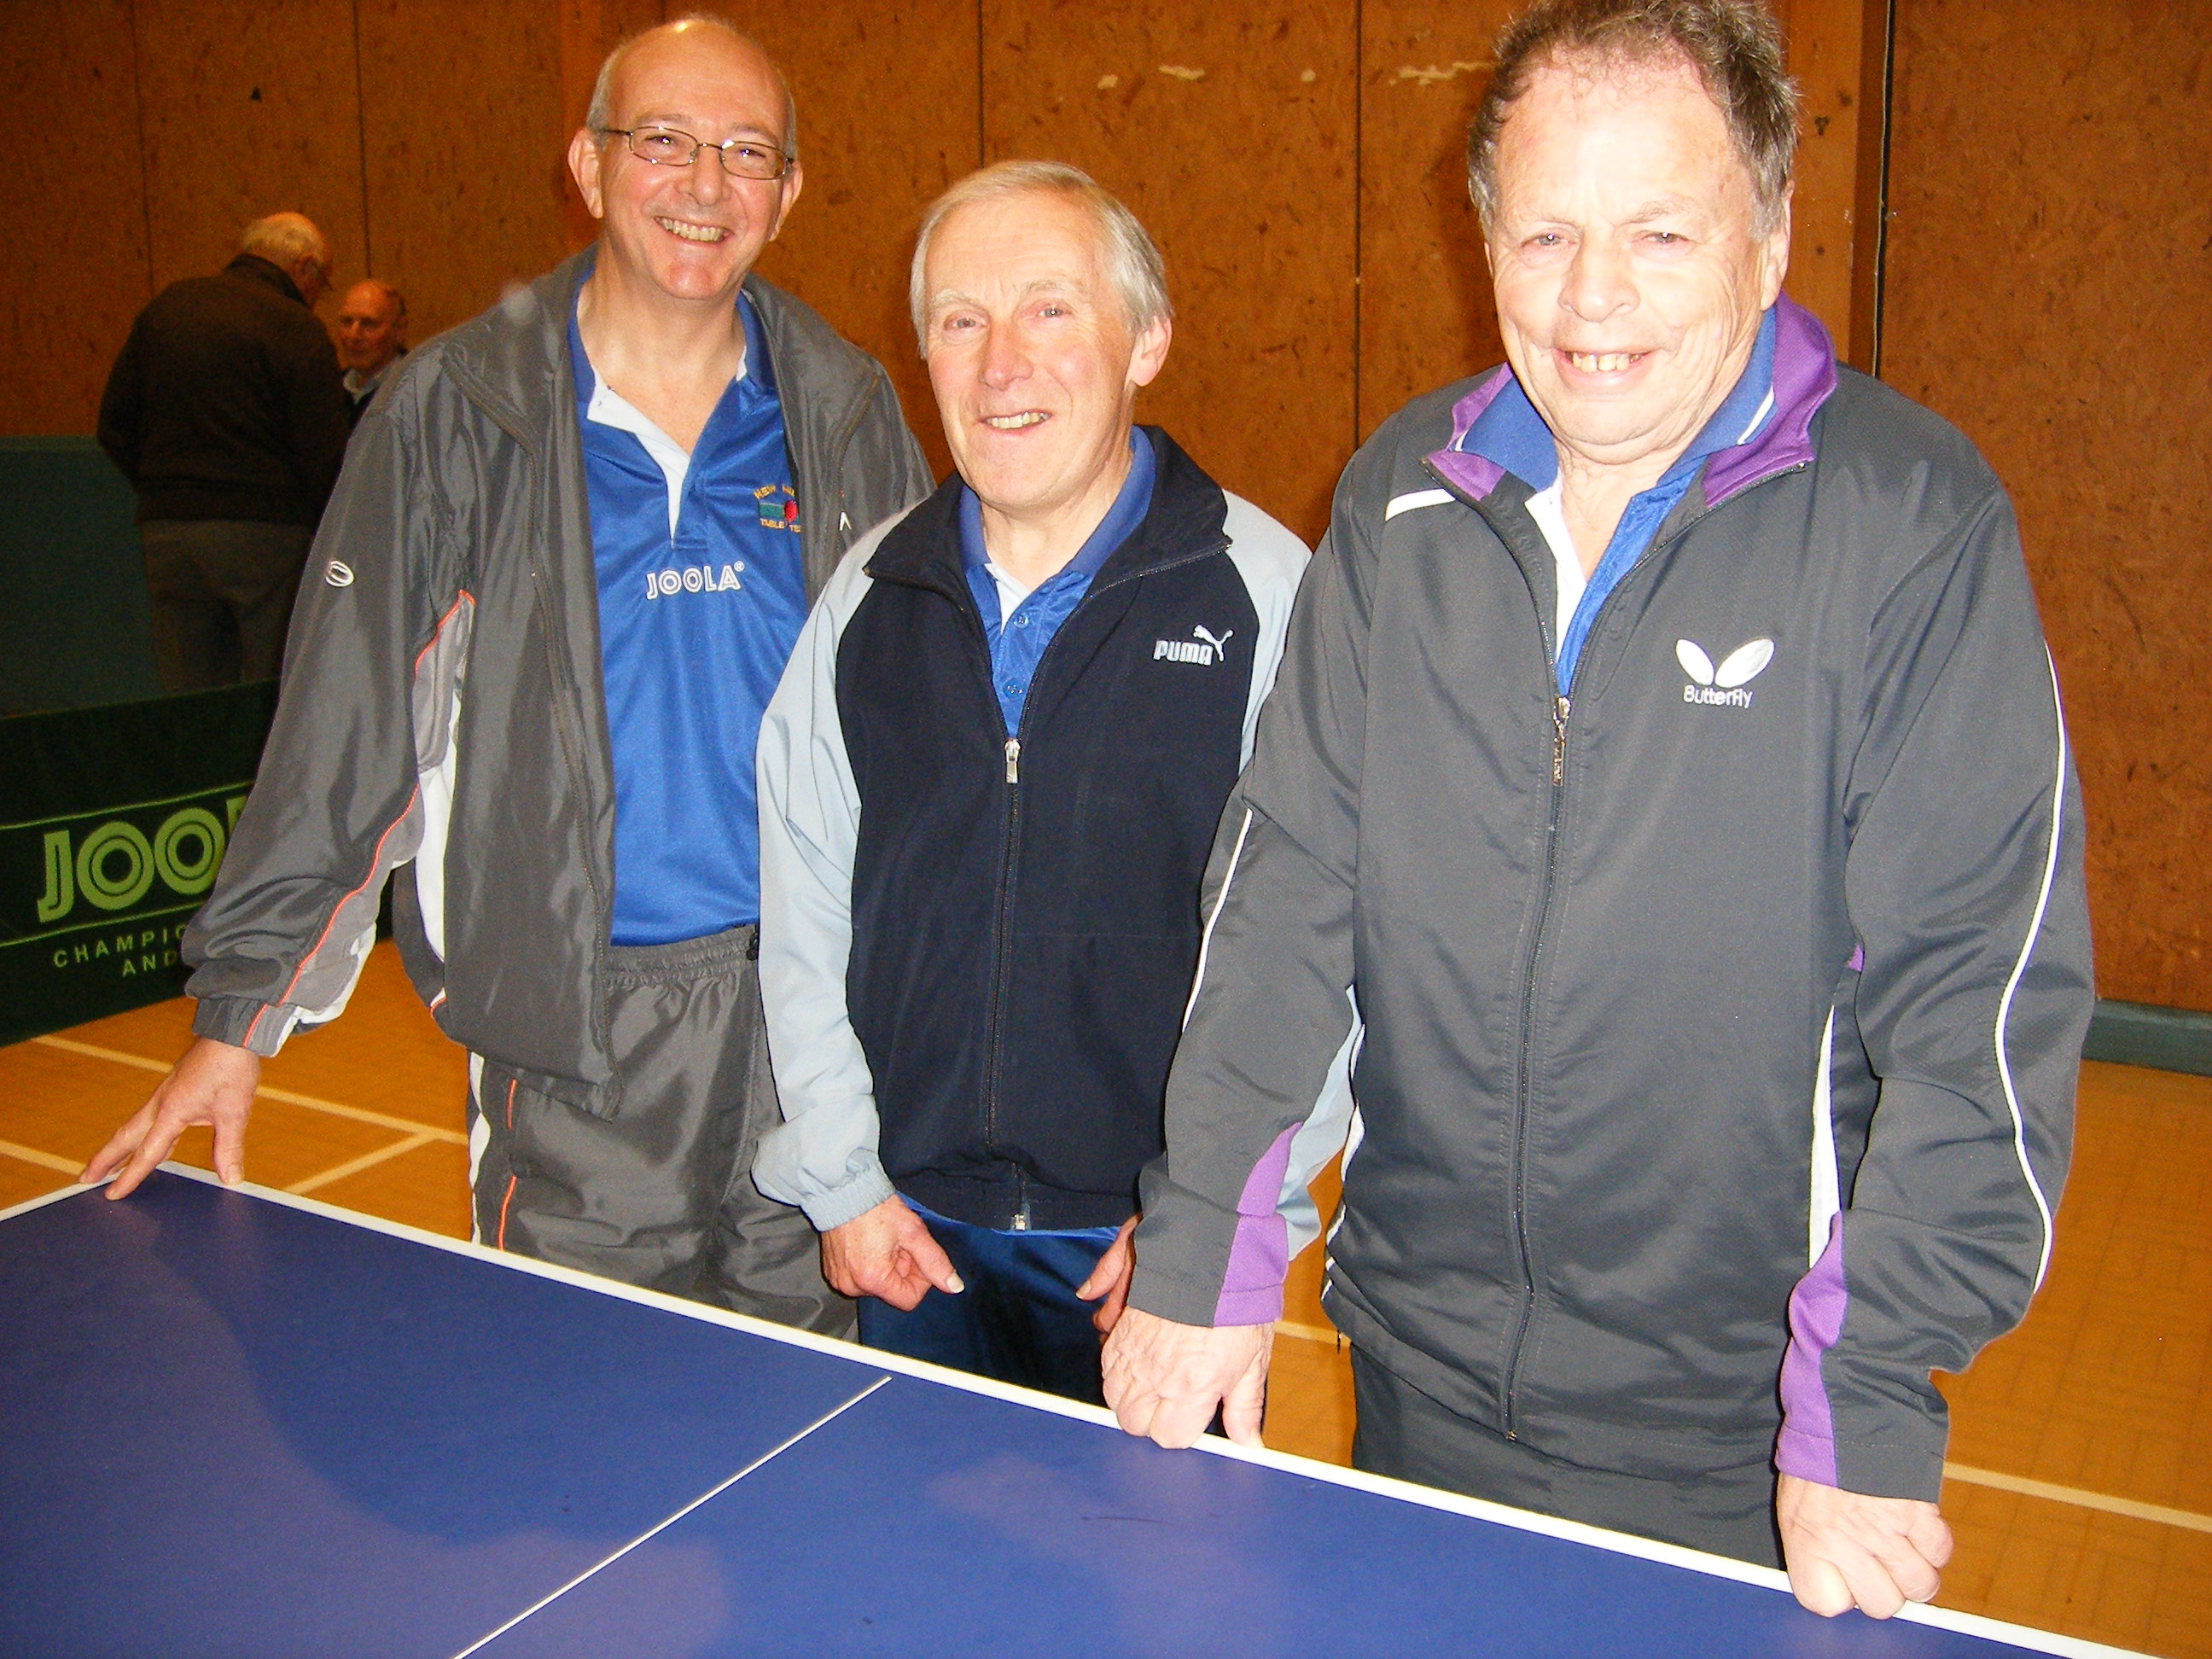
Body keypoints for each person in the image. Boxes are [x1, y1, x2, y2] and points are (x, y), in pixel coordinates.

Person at [1100, 0, 2093, 1622]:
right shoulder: (1403, 496)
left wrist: (1867, 1386)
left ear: (1770, 236)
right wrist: (1210, 1235)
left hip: (1741, 1439)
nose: (1591, 297)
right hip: (1419, 1377)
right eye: (1546, 232)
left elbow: (1978, 1008)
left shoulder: (1910, 523)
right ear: (1486, 240)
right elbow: (1289, 888)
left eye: (1659, 231)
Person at [81, 19, 931, 1336]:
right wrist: (238, 1012)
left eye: (746, 151)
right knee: (585, 1399)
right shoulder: (453, 415)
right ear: (587, 165)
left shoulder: (848, 409)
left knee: (805, 1391)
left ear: (790, 189)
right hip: (574, 1034)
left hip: (813, 1024)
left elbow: (924, 719)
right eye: (663, 141)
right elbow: (349, 726)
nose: (705, 184)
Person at [752, 161, 1342, 1401]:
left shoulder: (1270, 597)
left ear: (1148, 343)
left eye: (1051, 310)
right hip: (910, 1237)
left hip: (1149, 1257)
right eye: (961, 321)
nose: (1000, 365)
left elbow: (1328, 953)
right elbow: (804, 914)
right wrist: (843, 1181)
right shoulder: (868, 600)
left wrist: (1218, 1225)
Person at [97, 212, 352, 692]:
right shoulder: (295, 327)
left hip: (169, 534)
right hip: (267, 535)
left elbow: (113, 424)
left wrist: (163, 490)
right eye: (323, 283)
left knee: (188, 695)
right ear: (304, 267)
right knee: (273, 692)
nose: (319, 296)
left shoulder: (166, 310)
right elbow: (323, 451)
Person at [336, 279, 409, 425]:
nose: (353, 335)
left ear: (399, 330)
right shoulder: (328, 391)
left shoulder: (416, 392)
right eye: (347, 322)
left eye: (368, 324)